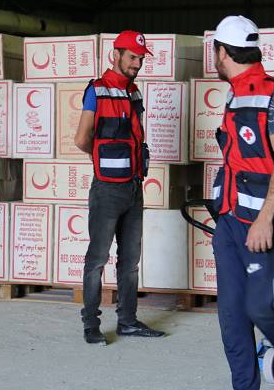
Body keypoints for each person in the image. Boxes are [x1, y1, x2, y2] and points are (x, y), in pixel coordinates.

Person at [209, 16, 274, 389]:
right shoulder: (234, 92)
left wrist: (265, 218)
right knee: (232, 317)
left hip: (265, 222)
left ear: (221, 52)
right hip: (231, 221)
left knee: (259, 309)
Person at [73, 30, 165, 346]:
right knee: (97, 259)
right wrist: (103, 160)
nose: (137, 64)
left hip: (134, 188)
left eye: (141, 58)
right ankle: (91, 326)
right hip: (107, 190)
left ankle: (127, 321)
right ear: (116, 55)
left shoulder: (135, 92)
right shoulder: (96, 91)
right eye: (132, 57)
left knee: (130, 262)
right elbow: (82, 138)